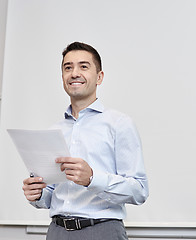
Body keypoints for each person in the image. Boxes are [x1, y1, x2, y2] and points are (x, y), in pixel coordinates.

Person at [22, 42, 149, 240]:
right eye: (68, 67)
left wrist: (92, 178)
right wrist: (38, 194)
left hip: (102, 231)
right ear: (62, 77)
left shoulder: (119, 124)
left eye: (83, 66)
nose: (74, 73)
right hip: (57, 231)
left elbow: (139, 190)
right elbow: (51, 195)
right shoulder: (54, 131)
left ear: (99, 77)